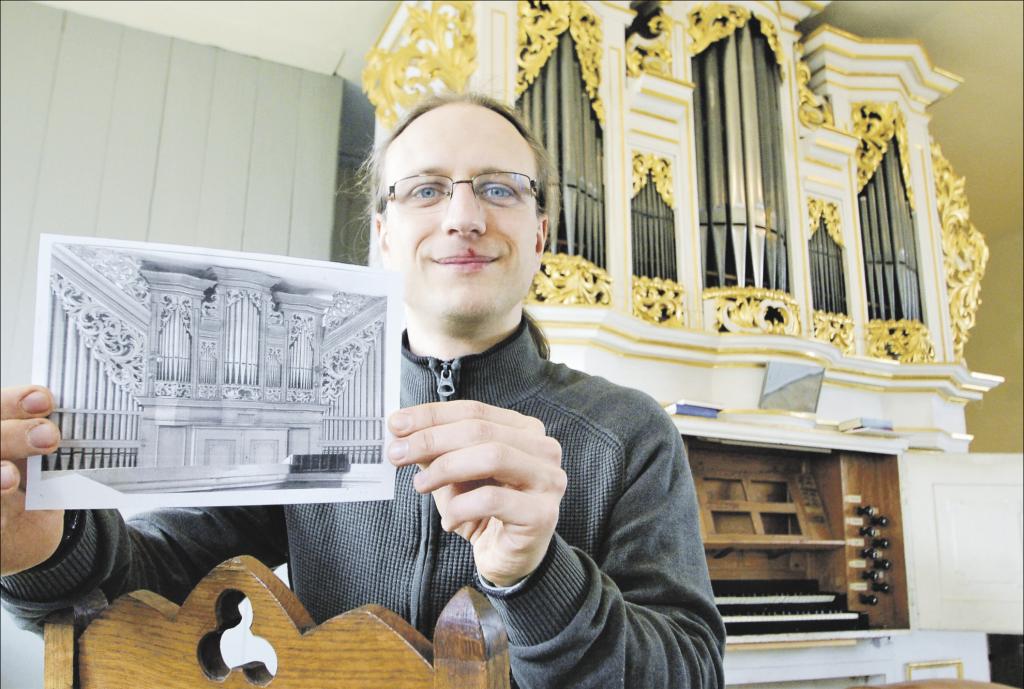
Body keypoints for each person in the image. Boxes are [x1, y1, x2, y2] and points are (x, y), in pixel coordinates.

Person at [0, 92, 725, 688]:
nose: (464, 216)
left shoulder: (630, 432)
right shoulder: (306, 411)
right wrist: (43, 544)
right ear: (383, 233)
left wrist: (539, 574)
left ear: (539, 234)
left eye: (499, 188)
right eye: (427, 189)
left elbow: (689, 671)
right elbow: (147, 583)